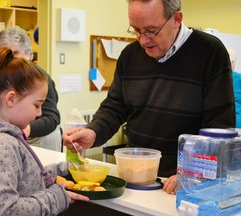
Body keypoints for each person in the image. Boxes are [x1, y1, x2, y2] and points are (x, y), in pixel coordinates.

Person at [63, 0, 235, 194]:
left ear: (177, 19)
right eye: (136, 30)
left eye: (152, 30)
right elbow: (115, 106)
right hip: (134, 175)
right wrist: (94, 132)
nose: (143, 40)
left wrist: (193, 173)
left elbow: (220, 126)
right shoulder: (130, 55)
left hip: (182, 183)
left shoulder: (209, 51)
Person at [0, 47, 89, 215]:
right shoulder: (0, 146)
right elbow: (4, 212)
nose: (39, 113)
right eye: (37, 105)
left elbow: (26, 178)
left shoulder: (4, 139)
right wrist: (56, 198)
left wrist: (66, 169)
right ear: (11, 99)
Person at [0, 26, 62, 151]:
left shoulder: (41, 79)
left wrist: (25, 130)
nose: (11, 60)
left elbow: (51, 118)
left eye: (16, 53)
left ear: (28, 53)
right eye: (6, 54)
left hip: (40, 139)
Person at [228, 47, 241, 128]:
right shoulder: (238, 78)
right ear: (232, 62)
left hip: (217, 122)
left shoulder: (210, 77)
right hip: (238, 123)